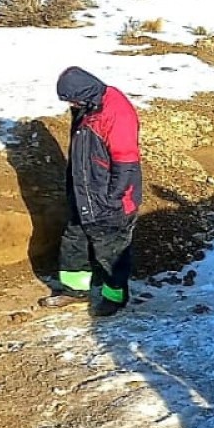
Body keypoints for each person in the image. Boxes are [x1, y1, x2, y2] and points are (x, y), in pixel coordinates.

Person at [39, 65, 143, 317]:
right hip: (85, 194)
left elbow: (126, 162)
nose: (71, 105)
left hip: (110, 201)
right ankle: (74, 290)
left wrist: (112, 199)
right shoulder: (89, 106)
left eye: (72, 100)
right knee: (74, 242)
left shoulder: (115, 113)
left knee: (111, 252)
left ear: (84, 93)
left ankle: (114, 297)